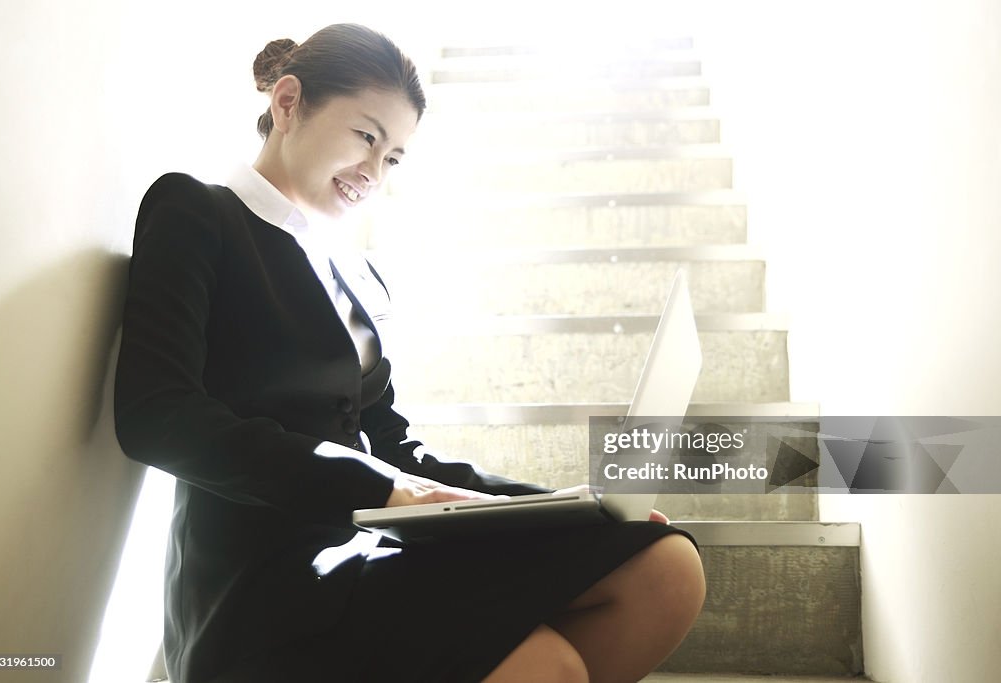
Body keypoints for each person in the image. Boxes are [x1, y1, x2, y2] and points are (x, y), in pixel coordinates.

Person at [114, 23, 705, 683]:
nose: (374, 171)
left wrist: (548, 505)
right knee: (548, 665)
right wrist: (380, 490)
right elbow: (156, 415)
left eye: (393, 156)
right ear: (287, 104)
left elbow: (391, 441)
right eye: (366, 136)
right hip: (260, 580)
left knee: (664, 569)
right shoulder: (198, 214)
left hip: (368, 549)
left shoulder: (355, 274)